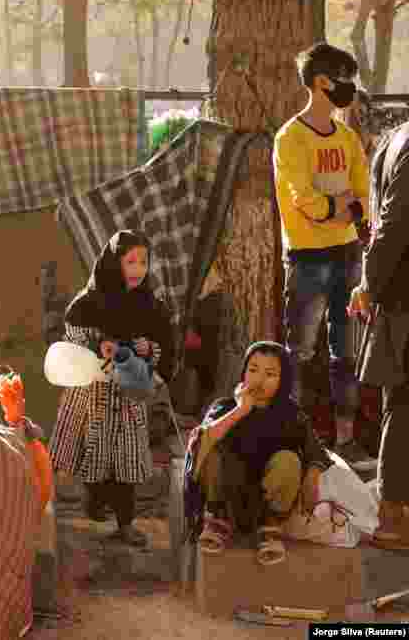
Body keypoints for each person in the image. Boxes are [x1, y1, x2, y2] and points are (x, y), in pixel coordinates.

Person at [273, 42, 374, 470]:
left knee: (345, 350)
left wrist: (340, 208)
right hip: (307, 258)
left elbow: (364, 197)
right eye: (343, 78)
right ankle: (290, 443)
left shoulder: (349, 137)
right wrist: (341, 206)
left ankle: (346, 440)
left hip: (347, 252)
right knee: (299, 352)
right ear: (321, 82)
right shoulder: (290, 138)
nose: (350, 87)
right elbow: (304, 201)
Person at [48, 230, 175, 547]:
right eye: (130, 261)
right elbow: (74, 338)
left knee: (127, 459)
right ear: (113, 263)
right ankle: (93, 500)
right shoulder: (88, 303)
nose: (138, 269)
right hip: (94, 392)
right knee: (95, 452)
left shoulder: (150, 305)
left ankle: (126, 523)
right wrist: (99, 344)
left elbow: (162, 345)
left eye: (143, 262)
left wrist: (147, 349)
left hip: (129, 394)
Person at [184, 342, 332, 566]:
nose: (259, 379)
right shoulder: (224, 407)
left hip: (267, 507)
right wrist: (240, 410)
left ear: (283, 381)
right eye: (253, 370)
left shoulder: (291, 414)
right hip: (226, 499)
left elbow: (316, 451)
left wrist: (312, 474)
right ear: (243, 372)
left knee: (289, 460)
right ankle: (217, 520)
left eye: (270, 374)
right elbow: (200, 444)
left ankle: (269, 529)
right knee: (209, 444)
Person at [349, 118, 409, 549]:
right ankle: (392, 517)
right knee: (404, 405)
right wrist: (370, 284)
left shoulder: (398, 139)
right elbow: (394, 223)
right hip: (404, 295)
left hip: (397, 293)